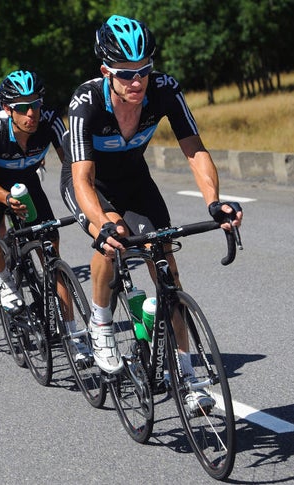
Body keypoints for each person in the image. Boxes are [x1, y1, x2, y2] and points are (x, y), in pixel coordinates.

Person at [60, 13, 243, 406]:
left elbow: (194, 150)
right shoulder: (86, 101)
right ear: (106, 70)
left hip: (135, 180)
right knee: (113, 237)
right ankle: (101, 321)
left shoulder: (164, 90)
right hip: (89, 184)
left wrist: (214, 200)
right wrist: (102, 225)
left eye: (144, 70)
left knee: (167, 271)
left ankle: (190, 378)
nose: (137, 81)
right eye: (126, 74)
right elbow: (81, 180)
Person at [0, 70, 66, 314]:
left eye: (35, 104)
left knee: (51, 250)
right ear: (7, 108)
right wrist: (6, 198)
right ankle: (6, 280)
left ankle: (73, 333)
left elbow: (73, 166)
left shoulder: (50, 121)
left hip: (27, 183)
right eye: (22, 107)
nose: (31, 113)